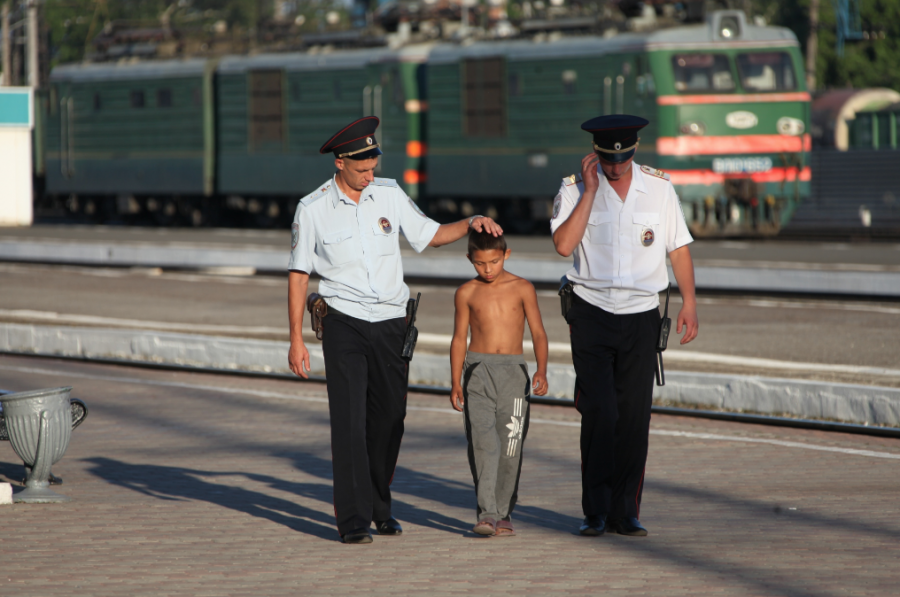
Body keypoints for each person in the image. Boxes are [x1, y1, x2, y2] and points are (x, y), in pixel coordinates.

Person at [287, 116, 503, 544]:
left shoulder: (388, 194)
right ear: (341, 163)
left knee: (390, 419)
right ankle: (353, 520)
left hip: (390, 322)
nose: (371, 174)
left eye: (373, 166)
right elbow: (298, 274)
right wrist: (295, 338)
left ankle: (379, 505)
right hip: (344, 321)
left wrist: (472, 222)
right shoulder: (311, 209)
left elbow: (431, 235)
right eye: (363, 168)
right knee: (349, 423)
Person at [550, 114, 699, 538]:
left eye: (624, 159)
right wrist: (591, 192)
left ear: (634, 151)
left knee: (633, 416)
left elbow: (679, 248)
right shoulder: (573, 189)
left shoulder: (660, 189)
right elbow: (563, 245)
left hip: (640, 316)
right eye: (608, 161)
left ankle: (625, 511)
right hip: (591, 311)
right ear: (595, 155)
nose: (616, 167)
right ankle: (594, 510)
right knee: (600, 411)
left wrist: (689, 301)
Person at [449, 230, 549, 537]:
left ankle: (504, 511)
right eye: (480, 263)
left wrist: (541, 370)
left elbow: (538, 332)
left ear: (506, 254)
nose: (488, 269)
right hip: (477, 372)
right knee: (483, 443)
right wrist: (455, 382)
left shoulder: (522, 288)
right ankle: (487, 513)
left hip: (513, 374)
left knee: (510, 446)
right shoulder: (466, 292)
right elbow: (458, 339)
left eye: (493, 261)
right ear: (470, 259)